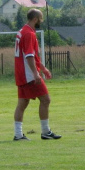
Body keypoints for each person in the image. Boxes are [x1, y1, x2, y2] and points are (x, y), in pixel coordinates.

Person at [13, 8, 62, 141]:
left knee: (22, 104)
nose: (41, 21)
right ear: (35, 19)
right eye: (40, 19)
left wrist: (43, 68)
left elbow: (30, 55)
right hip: (29, 75)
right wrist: (36, 74)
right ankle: (45, 131)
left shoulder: (22, 31)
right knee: (46, 100)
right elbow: (29, 56)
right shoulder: (29, 34)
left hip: (21, 74)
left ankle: (18, 134)